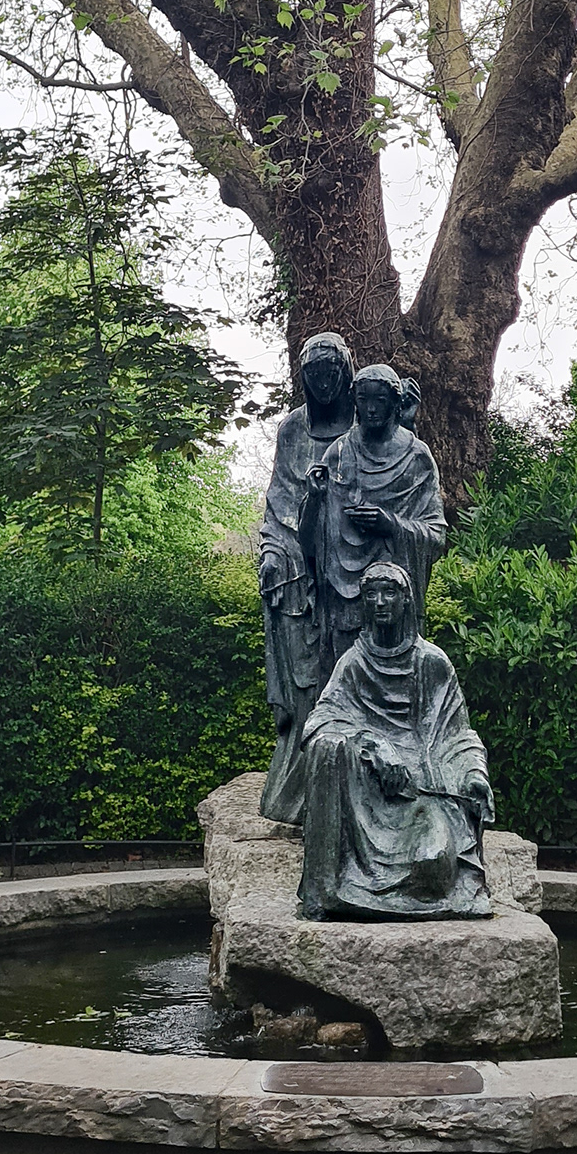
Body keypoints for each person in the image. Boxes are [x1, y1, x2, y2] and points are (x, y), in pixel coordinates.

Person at [298, 563, 494, 920]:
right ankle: (329, 890)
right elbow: (320, 721)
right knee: (326, 747)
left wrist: (474, 775)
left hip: (422, 791)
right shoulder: (354, 662)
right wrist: (371, 743)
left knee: (433, 866)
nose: (379, 602)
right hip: (368, 796)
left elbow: (458, 735)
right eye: (370, 594)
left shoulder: (432, 662)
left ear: (406, 600)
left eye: (389, 593)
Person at [256, 332, 355, 824]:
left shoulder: (365, 427)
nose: (321, 383)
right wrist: (273, 551)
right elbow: (280, 500)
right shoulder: (293, 429)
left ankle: (349, 786)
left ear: (345, 373)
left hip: (349, 566)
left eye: (328, 373)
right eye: (311, 375)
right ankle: (299, 790)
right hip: (299, 563)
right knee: (304, 680)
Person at [310, 361, 446, 677]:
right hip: (344, 596)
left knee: (402, 679)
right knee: (343, 679)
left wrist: (391, 525)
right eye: (363, 400)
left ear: (396, 403)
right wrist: (314, 497)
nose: (371, 409)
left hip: (396, 597)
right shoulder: (338, 452)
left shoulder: (417, 456)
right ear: (354, 402)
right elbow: (315, 540)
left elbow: (436, 536)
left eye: (380, 401)